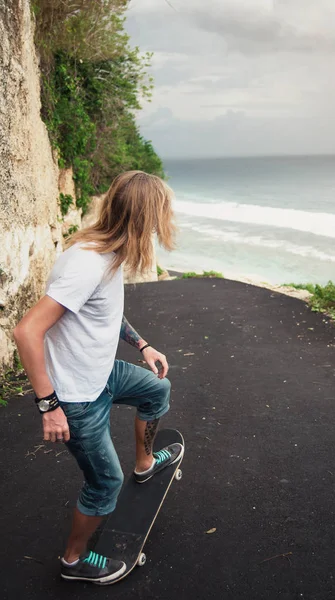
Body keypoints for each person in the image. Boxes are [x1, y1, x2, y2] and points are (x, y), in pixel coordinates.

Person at [13, 170, 183, 585]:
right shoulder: (87, 263)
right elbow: (26, 331)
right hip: (76, 397)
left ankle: (144, 463)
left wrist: (142, 345)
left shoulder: (109, 253)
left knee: (157, 390)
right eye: (162, 213)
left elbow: (104, 310)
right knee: (105, 483)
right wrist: (49, 406)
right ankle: (73, 560)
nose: (167, 220)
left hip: (103, 373)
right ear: (145, 217)